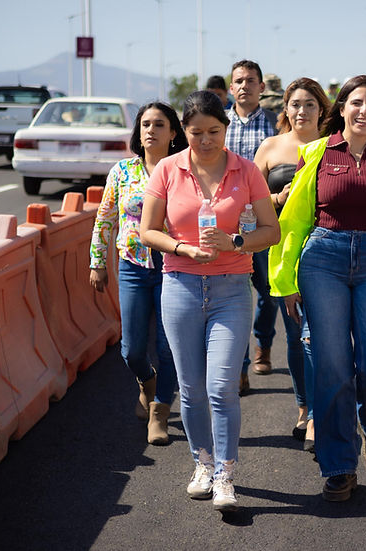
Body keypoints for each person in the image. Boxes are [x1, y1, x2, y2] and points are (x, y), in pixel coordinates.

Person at [269, 75, 366, 502]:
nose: (364, 111)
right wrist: (286, 280)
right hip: (323, 259)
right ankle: (338, 467)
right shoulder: (315, 152)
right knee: (332, 366)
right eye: (357, 102)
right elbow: (294, 220)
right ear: (342, 108)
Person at [140, 90, 280, 513]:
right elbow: (149, 230)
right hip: (180, 285)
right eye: (196, 132)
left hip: (231, 289)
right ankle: (202, 463)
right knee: (191, 389)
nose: (205, 141)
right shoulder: (167, 169)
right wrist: (183, 250)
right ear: (184, 131)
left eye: (214, 132)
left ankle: (225, 475)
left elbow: (269, 231)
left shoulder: (246, 170)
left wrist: (234, 240)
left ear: (226, 128)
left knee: (221, 387)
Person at [90, 102, 185, 445]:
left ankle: (160, 412)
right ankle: (147, 384)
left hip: (173, 268)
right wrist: (97, 261)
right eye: (145, 124)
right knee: (131, 350)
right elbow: (105, 217)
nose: (151, 131)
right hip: (132, 265)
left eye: (159, 125)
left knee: (167, 345)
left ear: (173, 133)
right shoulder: (122, 171)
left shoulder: (183, 170)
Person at [253, 77, 330, 451]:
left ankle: (322, 412)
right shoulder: (270, 147)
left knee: (322, 337)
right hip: (282, 253)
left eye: (310, 105)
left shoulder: (333, 147)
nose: (302, 111)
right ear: (285, 108)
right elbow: (246, 200)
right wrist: (275, 197)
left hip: (326, 251)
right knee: (297, 336)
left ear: (322, 110)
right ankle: (305, 407)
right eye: (296, 104)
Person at [225, 59, 279, 394]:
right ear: (231, 88)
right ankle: (240, 366)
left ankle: (264, 344)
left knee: (268, 292)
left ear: (261, 87)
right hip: (226, 226)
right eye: (239, 81)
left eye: (251, 80)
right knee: (235, 296)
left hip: (263, 222)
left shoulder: (275, 127)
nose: (244, 86)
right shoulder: (219, 125)